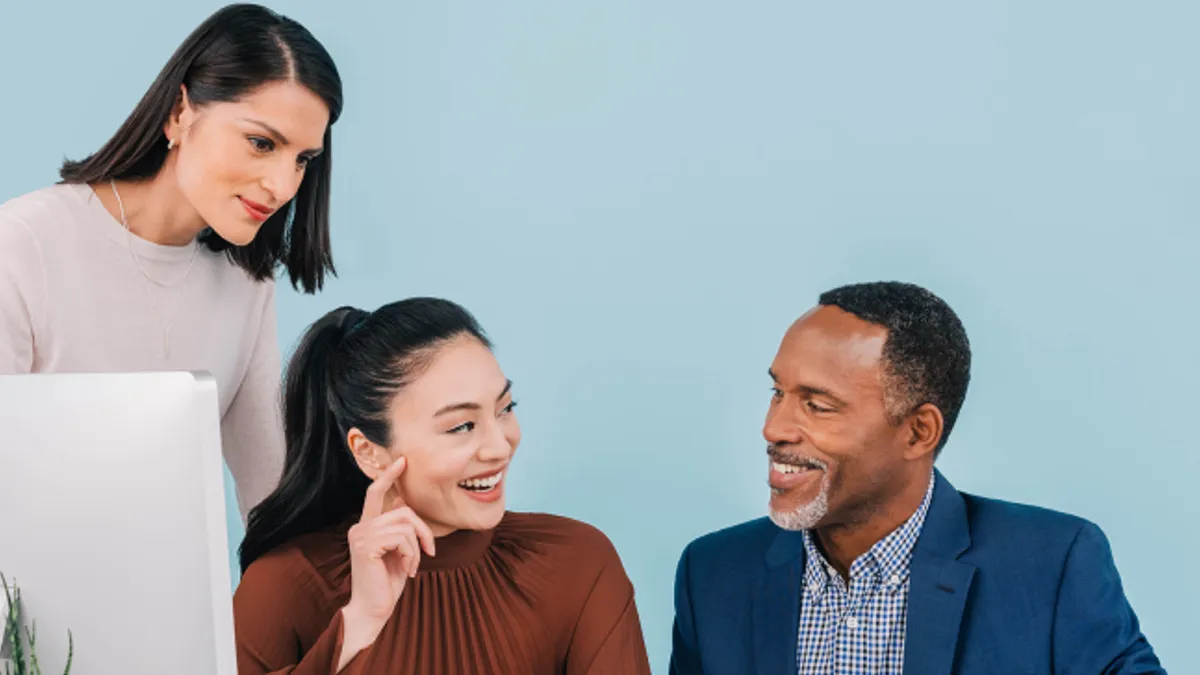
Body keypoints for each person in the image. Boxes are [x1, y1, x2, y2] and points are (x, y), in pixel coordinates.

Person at [669, 281, 1163, 675]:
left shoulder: (1053, 566)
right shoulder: (712, 575)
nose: (773, 428)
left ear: (918, 432)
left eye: (818, 406)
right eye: (778, 392)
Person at [0, 3, 342, 516]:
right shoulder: (25, 242)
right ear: (180, 113)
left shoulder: (246, 283)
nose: (282, 185)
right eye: (260, 142)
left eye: (301, 160)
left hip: (180, 593)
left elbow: (271, 492)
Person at [233, 297, 652, 674]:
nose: (499, 446)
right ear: (368, 452)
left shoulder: (578, 564)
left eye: (505, 409)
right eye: (461, 426)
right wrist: (359, 624)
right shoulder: (284, 586)